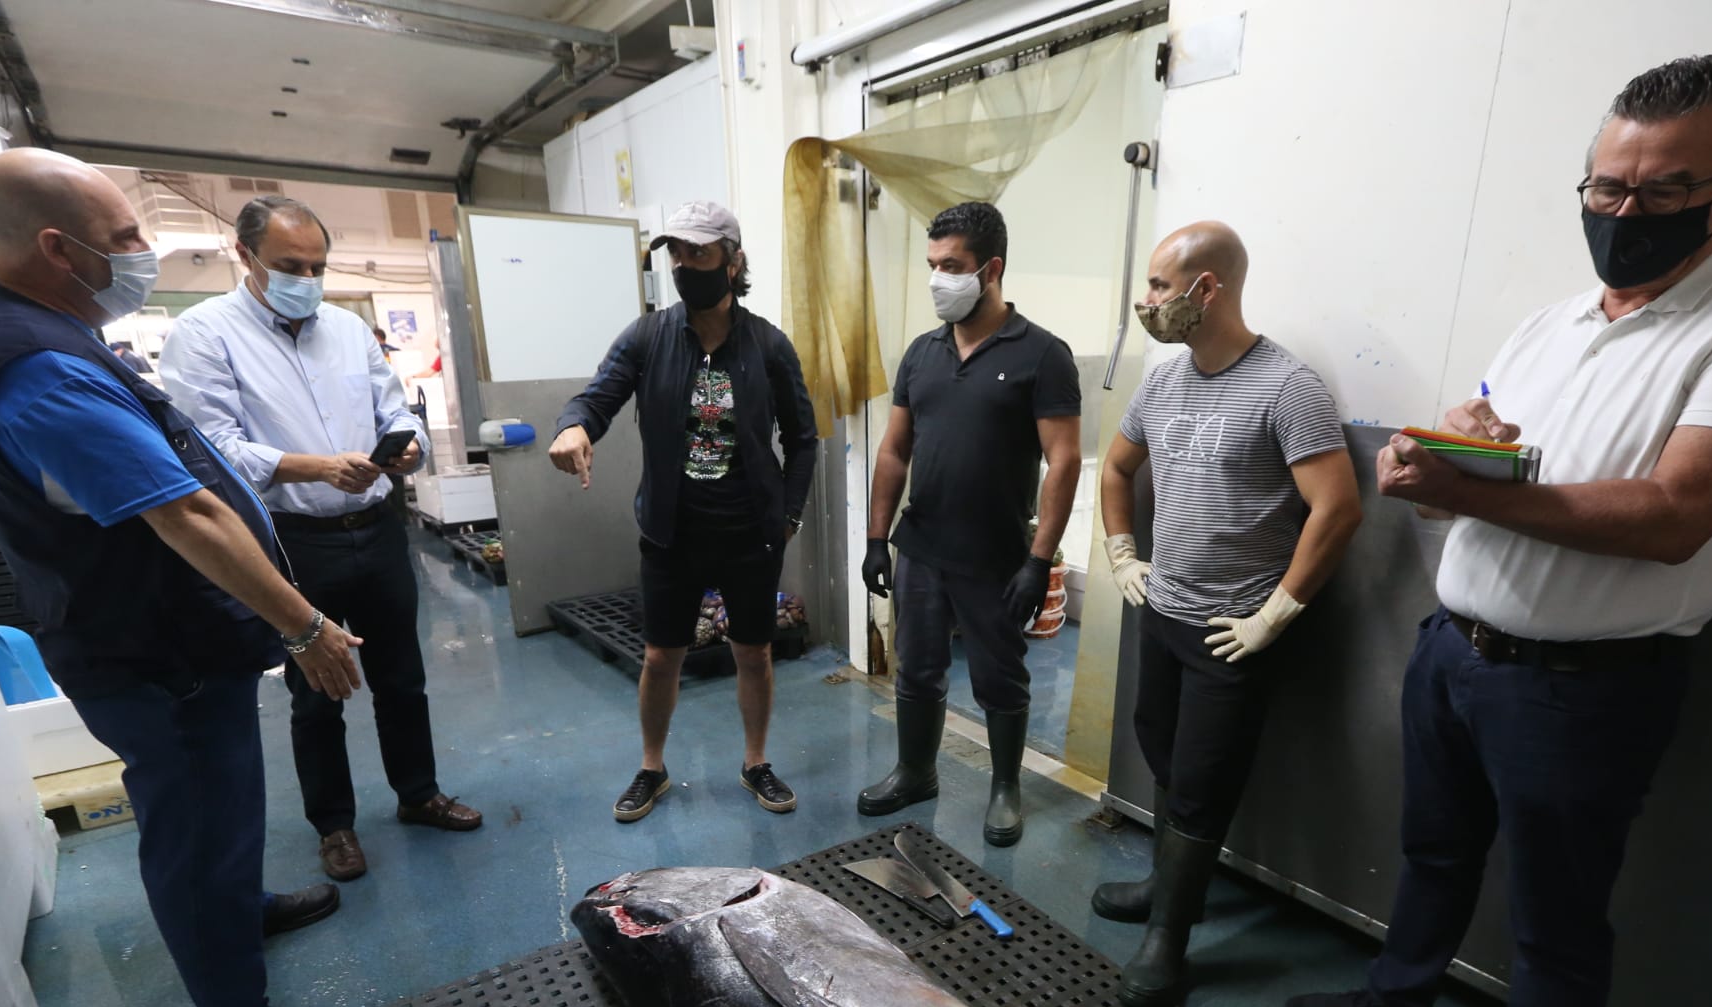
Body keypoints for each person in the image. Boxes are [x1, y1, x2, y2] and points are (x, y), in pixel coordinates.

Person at [1285, 54, 1712, 1007]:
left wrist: (1452, 490)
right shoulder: (1552, 323)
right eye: (1602, 189)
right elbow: (1492, 442)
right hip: (1456, 646)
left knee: (1553, 920)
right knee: (1433, 852)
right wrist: (1448, 442)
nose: (1621, 214)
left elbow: (1672, 516)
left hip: (1585, 684)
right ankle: (1399, 1000)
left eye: (1658, 192)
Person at [0, 149, 365, 1007]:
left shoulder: (46, 326)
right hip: (151, 651)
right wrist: (306, 628)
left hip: (176, 639)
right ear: (56, 246)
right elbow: (186, 510)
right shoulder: (34, 366)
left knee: (225, 807)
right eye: (124, 236)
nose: (144, 251)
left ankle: (238, 912)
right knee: (196, 824)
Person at [160, 195, 482, 883]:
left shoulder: (347, 329)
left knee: (403, 677)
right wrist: (313, 467)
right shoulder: (205, 334)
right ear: (245, 257)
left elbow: (395, 408)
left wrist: (409, 448)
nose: (306, 278)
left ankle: (418, 792)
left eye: (317, 266)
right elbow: (208, 448)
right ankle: (334, 825)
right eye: (289, 265)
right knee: (317, 688)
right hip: (294, 540)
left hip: (377, 529)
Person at [1092, 222, 1361, 1007]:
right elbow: (1116, 466)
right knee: (1164, 754)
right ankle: (1165, 886)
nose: (1147, 303)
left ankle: (1169, 939)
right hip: (1164, 610)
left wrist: (1276, 614)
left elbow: (1338, 510)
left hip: (1231, 633)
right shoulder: (1164, 380)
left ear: (1206, 290)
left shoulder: (1287, 387)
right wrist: (1121, 553)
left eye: (1157, 287)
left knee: (1205, 784)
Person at [548, 201, 818, 821]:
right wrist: (572, 428)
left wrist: (791, 515)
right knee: (660, 655)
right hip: (672, 532)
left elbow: (803, 438)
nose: (684, 264)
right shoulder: (648, 336)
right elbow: (598, 397)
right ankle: (652, 768)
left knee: (754, 651)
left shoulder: (769, 347)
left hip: (751, 531)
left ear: (733, 261)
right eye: (677, 253)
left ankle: (755, 763)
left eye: (699, 252)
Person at [857, 202, 1082, 846]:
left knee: (998, 676)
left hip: (995, 556)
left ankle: (1005, 787)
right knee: (918, 664)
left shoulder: (1042, 354)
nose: (938, 280)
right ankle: (915, 771)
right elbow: (894, 449)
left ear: (992, 269)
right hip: (922, 548)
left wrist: (1039, 560)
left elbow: (1063, 461)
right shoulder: (921, 354)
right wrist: (877, 537)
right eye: (931, 266)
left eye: (950, 266)